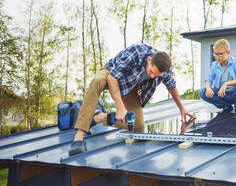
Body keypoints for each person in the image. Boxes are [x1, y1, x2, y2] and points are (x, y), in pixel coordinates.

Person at [68, 43, 196, 156]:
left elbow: (171, 86)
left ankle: (99, 117)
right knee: (97, 81)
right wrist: (120, 108)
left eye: (156, 75)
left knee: (137, 125)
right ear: (149, 60)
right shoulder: (137, 52)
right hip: (111, 73)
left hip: (130, 86)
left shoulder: (166, 70)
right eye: (151, 72)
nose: (152, 77)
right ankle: (79, 137)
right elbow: (112, 78)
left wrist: (181, 108)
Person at [199, 39, 236, 114]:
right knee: (203, 92)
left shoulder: (235, 62)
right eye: (215, 54)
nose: (217, 57)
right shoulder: (214, 65)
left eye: (220, 54)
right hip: (222, 95)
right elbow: (208, 81)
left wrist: (226, 84)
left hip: (235, 94)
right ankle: (226, 106)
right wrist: (209, 88)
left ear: (228, 52)